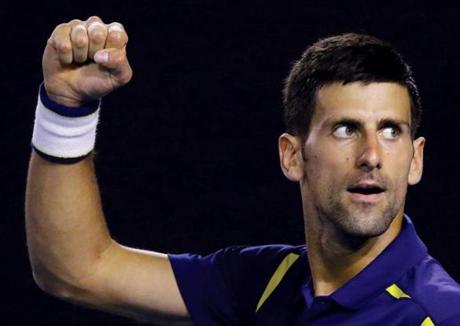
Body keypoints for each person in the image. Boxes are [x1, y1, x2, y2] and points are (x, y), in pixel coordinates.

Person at [26, 16, 460, 325]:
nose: (372, 155)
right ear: (292, 156)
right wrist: (67, 109)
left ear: (415, 158)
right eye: (346, 129)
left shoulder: (440, 315)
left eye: (390, 131)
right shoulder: (262, 282)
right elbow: (76, 270)